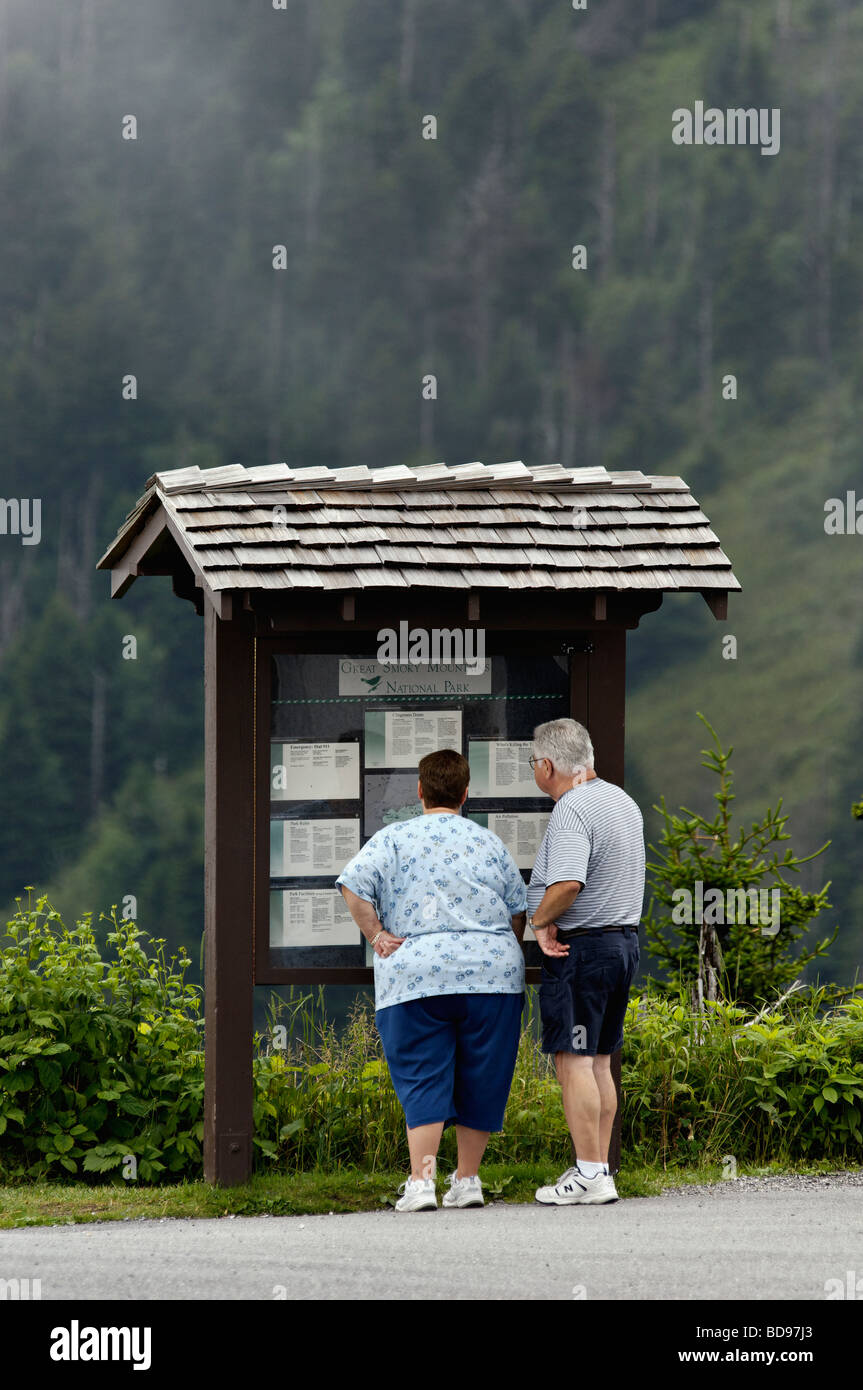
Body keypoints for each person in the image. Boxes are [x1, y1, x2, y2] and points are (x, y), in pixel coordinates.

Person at [336, 748, 527, 1212]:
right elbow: (518, 910)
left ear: (419, 791)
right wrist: (499, 948)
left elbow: (353, 884)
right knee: (484, 1074)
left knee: (423, 1075)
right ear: (466, 793)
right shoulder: (488, 842)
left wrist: (376, 934)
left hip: (416, 975)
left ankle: (422, 1183)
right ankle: (468, 1181)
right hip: (492, 978)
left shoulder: (393, 838)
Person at [526, 718, 644, 1206]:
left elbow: (568, 883)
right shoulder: (621, 800)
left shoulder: (572, 807)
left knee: (573, 1061)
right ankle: (600, 1171)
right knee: (598, 1061)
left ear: (548, 765)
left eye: (534, 763)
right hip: (622, 943)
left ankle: (590, 1172)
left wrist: (538, 922)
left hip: (583, 951)